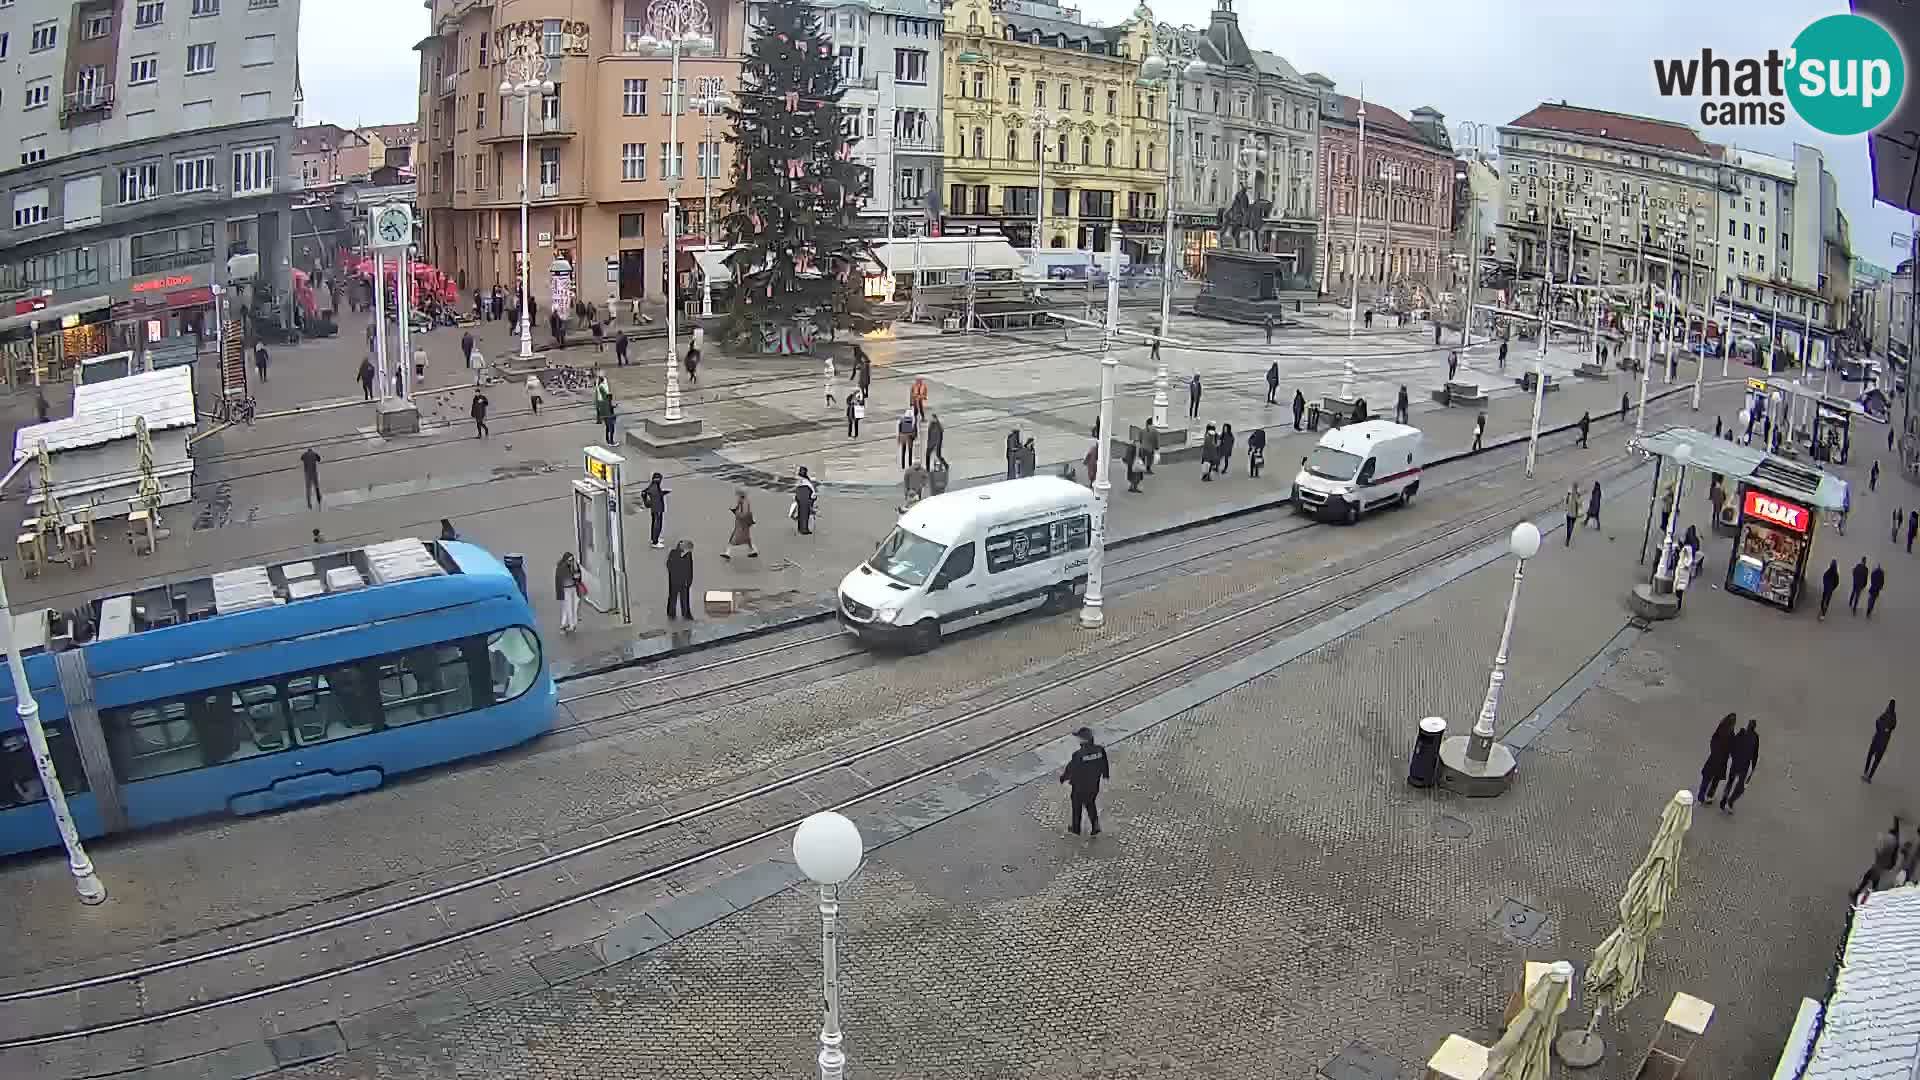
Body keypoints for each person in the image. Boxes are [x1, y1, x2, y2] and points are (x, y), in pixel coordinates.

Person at [1058, 726, 1109, 837]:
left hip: (1079, 787)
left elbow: (1071, 768)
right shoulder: (1100, 750)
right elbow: (1104, 764)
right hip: (1094, 785)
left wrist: (1064, 778)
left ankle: (1076, 828)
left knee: (1077, 807)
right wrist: (1105, 776)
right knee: (1090, 804)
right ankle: (1095, 826)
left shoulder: (1078, 754)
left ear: (1083, 740)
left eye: (1079, 738)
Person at [1721, 718, 1759, 813]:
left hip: (1742, 765)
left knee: (1738, 786)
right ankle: (1726, 800)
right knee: (1734, 783)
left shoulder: (1754, 736)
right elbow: (1733, 744)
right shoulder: (1743, 734)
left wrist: (1753, 766)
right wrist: (1733, 755)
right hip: (1739, 763)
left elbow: (1755, 753)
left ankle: (1728, 801)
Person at [1698, 713, 1736, 802]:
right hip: (1722, 761)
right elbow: (1732, 748)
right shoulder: (1731, 734)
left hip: (1714, 758)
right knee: (1715, 780)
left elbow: (1713, 740)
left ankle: (1701, 796)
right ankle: (1709, 796)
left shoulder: (1721, 728)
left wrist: (1714, 751)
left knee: (1706, 778)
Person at [1866, 700, 1897, 782]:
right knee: (1873, 757)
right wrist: (1881, 728)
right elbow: (1878, 722)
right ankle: (1867, 774)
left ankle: (1868, 775)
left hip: (1880, 742)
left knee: (1874, 758)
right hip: (1879, 741)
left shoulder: (1891, 717)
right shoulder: (1888, 715)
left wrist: (1881, 728)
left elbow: (1879, 722)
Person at [723, 487, 758, 559]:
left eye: (737, 495)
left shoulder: (744, 503)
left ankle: (728, 552)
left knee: (734, 538)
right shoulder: (743, 501)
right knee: (747, 538)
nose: (736, 496)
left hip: (742, 524)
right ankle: (753, 550)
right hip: (743, 523)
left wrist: (736, 512)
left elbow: (744, 514)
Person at [665, 541, 695, 620]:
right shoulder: (674, 553)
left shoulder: (688, 555)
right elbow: (669, 565)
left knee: (684, 598)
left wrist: (689, 580)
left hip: (684, 581)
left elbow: (690, 568)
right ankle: (671, 613)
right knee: (673, 597)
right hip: (675, 580)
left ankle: (686, 613)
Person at [555, 552, 582, 634]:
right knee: (568, 607)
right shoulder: (561, 567)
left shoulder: (574, 565)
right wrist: (573, 575)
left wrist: (576, 574)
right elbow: (560, 579)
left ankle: (565, 624)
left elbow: (578, 575)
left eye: (572, 559)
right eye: (569, 560)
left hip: (574, 588)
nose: (571, 561)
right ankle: (571, 625)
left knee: (571, 607)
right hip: (565, 590)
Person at [642, 472, 668, 548]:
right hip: (657, 509)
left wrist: (663, 493)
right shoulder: (654, 487)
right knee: (657, 525)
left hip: (655, 508)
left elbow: (649, 493)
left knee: (654, 523)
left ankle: (654, 539)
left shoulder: (653, 486)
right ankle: (655, 542)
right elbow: (656, 496)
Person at [793, 467, 817, 535]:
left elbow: (797, 487)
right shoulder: (806, 480)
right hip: (805, 494)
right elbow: (811, 489)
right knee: (805, 513)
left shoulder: (799, 479)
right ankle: (804, 529)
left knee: (801, 512)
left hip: (801, 494)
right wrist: (813, 497)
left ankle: (800, 528)